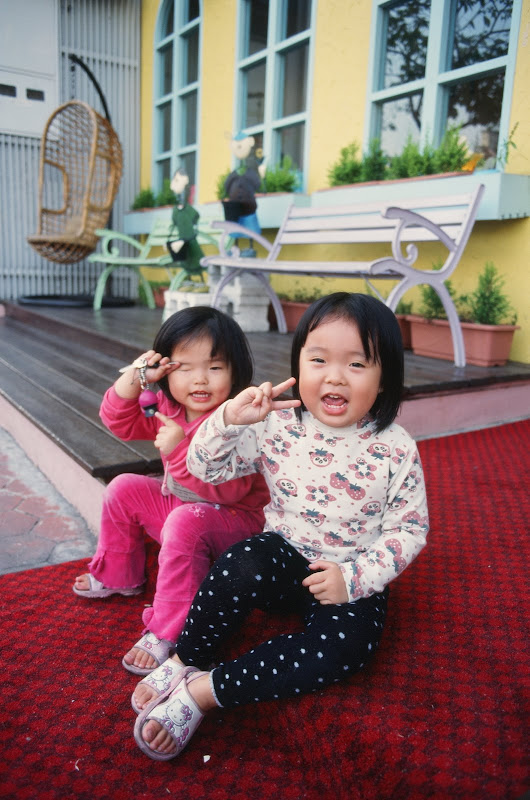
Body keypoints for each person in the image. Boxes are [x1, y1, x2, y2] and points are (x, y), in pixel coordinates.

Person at [131, 292, 429, 760]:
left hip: (348, 574)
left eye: (356, 364)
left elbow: (409, 530)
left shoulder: (395, 446)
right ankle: (188, 656)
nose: (334, 376)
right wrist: (227, 420)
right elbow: (205, 469)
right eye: (318, 360)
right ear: (298, 364)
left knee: (348, 649)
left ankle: (203, 691)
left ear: (384, 376)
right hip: (283, 556)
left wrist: (354, 579)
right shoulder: (278, 424)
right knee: (238, 563)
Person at [72, 306, 269, 676]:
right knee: (123, 487)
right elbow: (119, 422)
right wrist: (136, 377)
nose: (200, 380)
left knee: (183, 521)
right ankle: (119, 574)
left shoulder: (239, 419)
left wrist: (179, 450)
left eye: (214, 367)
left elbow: (228, 492)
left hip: (236, 524)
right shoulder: (169, 407)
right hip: (184, 509)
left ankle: (172, 628)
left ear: (236, 371)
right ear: (165, 370)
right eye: (185, 368)